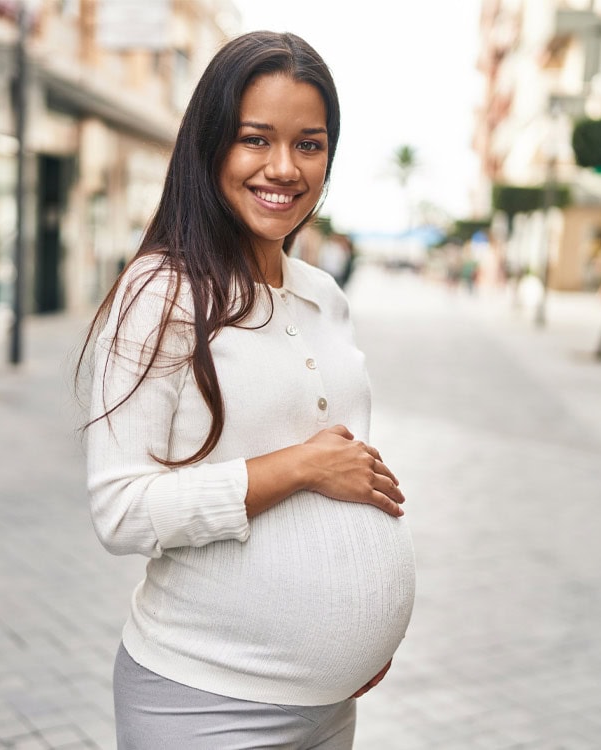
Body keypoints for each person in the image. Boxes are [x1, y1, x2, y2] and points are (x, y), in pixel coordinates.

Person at [80, 31, 415, 749]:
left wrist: (355, 632)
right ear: (210, 147)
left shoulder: (325, 296)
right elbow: (121, 510)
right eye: (255, 140)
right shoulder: (161, 294)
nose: (284, 168)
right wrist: (300, 466)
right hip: (205, 699)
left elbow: (344, 476)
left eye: (310, 144)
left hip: (328, 705)